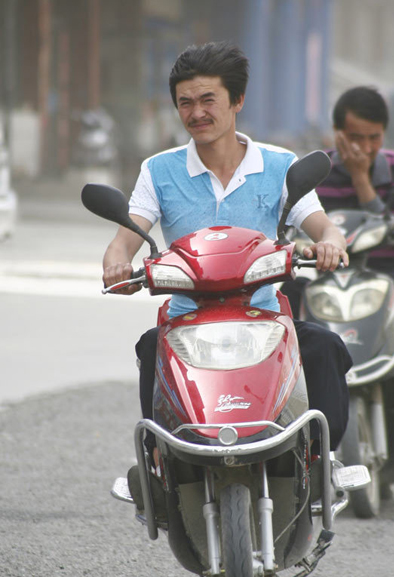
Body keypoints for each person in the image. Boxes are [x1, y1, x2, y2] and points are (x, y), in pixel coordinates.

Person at [101, 42, 352, 502]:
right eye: (185, 103)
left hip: (263, 318)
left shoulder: (279, 166)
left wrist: (330, 244)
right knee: (150, 347)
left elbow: (322, 226)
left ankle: (324, 464)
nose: (196, 112)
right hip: (184, 322)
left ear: (237, 101)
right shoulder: (159, 170)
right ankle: (159, 468)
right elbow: (127, 234)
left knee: (324, 346)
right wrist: (117, 260)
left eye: (207, 100)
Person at [282, 85, 394, 325]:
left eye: (374, 138)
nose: (366, 148)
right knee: (288, 297)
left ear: (384, 133)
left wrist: (360, 179)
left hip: (389, 273)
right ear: (337, 132)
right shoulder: (316, 172)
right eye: (356, 138)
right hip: (330, 277)